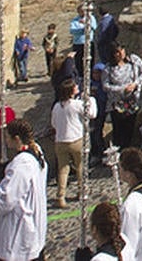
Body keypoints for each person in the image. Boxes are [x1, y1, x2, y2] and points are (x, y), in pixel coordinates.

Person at [0, 119, 48, 261]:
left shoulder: (22, 164)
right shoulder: (36, 151)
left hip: (20, 227)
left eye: (7, 137)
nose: (6, 141)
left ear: (16, 139)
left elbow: (6, 198)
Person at [51, 77, 95, 208]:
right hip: (76, 139)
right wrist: (91, 100)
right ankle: (82, 191)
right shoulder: (76, 105)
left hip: (60, 141)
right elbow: (91, 114)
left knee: (63, 169)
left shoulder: (57, 106)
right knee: (80, 166)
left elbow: (53, 123)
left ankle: (61, 196)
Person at [105, 45, 142, 150]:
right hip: (117, 103)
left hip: (132, 101)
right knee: (118, 130)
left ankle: (127, 150)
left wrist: (135, 84)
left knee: (129, 128)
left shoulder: (134, 61)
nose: (121, 54)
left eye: (122, 50)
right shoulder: (109, 68)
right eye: (117, 52)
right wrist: (122, 89)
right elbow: (105, 85)